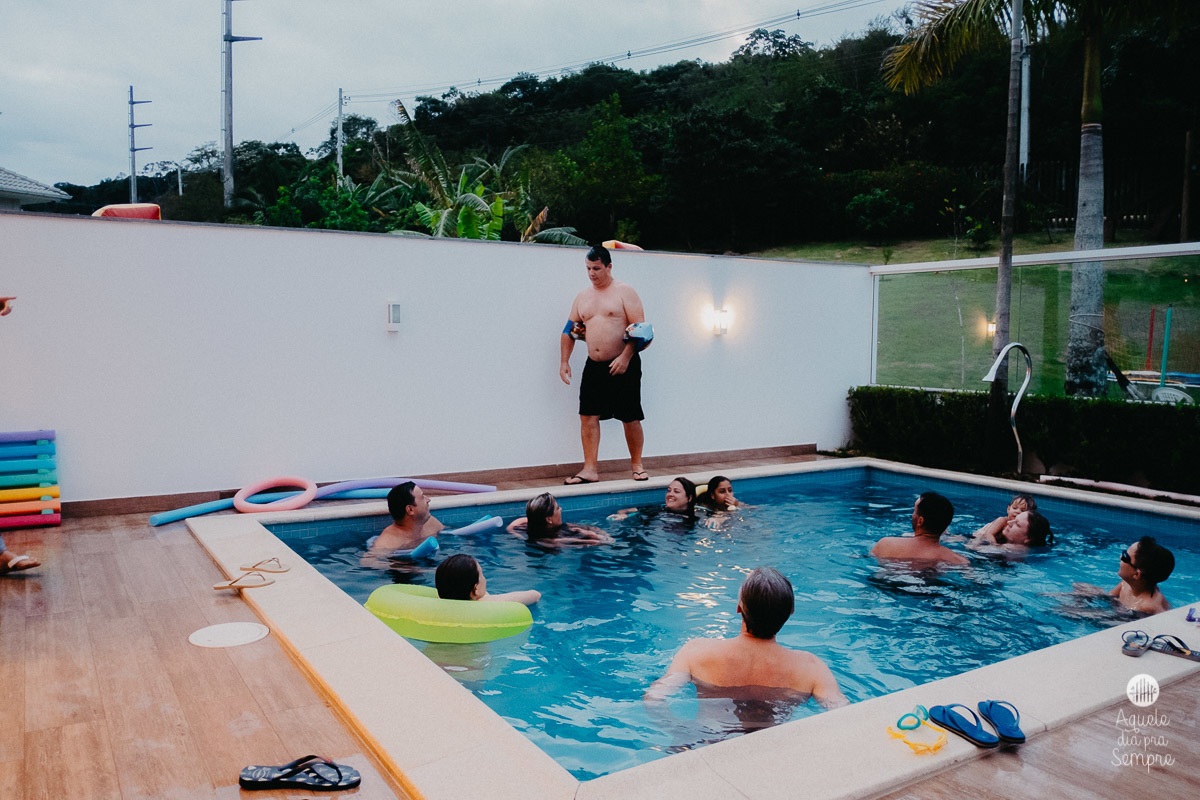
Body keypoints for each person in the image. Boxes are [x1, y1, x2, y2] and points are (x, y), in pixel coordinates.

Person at [644, 567, 847, 710]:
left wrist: (679, 732)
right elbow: (843, 712)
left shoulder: (696, 651)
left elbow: (653, 699)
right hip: (772, 752)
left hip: (708, 742)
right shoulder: (811, 667)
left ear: (739, 608)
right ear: (791, 612)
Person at [559, 243, 648, 484]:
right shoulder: (583, 297)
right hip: (595, 364)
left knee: (630, 416)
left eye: (596, 268)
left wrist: (626, 357)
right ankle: (590, 469)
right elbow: (570, 330)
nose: (592, 273)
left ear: (609, 266)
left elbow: (641, 330)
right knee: (588, 415)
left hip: (624, 362)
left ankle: (637, 465)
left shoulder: (624, 292)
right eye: (588, 268)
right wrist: (564, 361)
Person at [1076, 537, 1174, 615]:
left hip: (1129, 620)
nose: (1120, 557)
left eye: (1125, 557)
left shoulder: (1146, 607)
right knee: (1080, 587)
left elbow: (1113, 623)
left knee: (1072, 614)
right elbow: (1108, 597)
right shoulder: (1127, 583)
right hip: (1122, 612)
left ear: (1136, 574)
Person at [870, 491, 967, 565]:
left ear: (920, 521)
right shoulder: (959, 561)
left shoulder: (886, 544)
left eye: (914, 511)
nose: (912, 515)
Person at [361, 482, 445, 564]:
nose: (428, 499)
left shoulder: (431, 523)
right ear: (410, 510)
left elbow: (448, 534)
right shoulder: (390, 540)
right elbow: (367, 561)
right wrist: (402, 567)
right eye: (422, 497)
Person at [507, 492, 613, 547]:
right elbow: (598, 542)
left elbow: (512, 526)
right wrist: (602, 538)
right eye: (557, 508)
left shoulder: (523, 529)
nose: (561, 509)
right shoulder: (553, 541)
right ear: (548, 519)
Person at [434, 553, 541, 606]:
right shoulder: (485, 604)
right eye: (482, 575)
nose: (485, 580)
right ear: (475, 589)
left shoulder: (439, 601)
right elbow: (535, 595)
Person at [608, 477, 696, 521]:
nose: (670, 494)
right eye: (669, 490)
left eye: (676, 491)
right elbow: (623, 511)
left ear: (689, 498)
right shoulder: (657, 509)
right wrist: (624, 516)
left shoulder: (698, 515)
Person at [969, 508, 1053, 552]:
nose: (1009, 522)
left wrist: (978, 537)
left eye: (1017, 524)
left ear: (1028, 539)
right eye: (1014, 519)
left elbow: (972, 549)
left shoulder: (1014, 549)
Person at [970, 493, 1037, 541]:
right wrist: (995, 547)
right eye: (1014, 508)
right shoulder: (1002, 520)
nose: (1017, 511)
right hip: (976, 537)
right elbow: (989, 534)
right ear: (1008, 509)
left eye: (1023, 510)